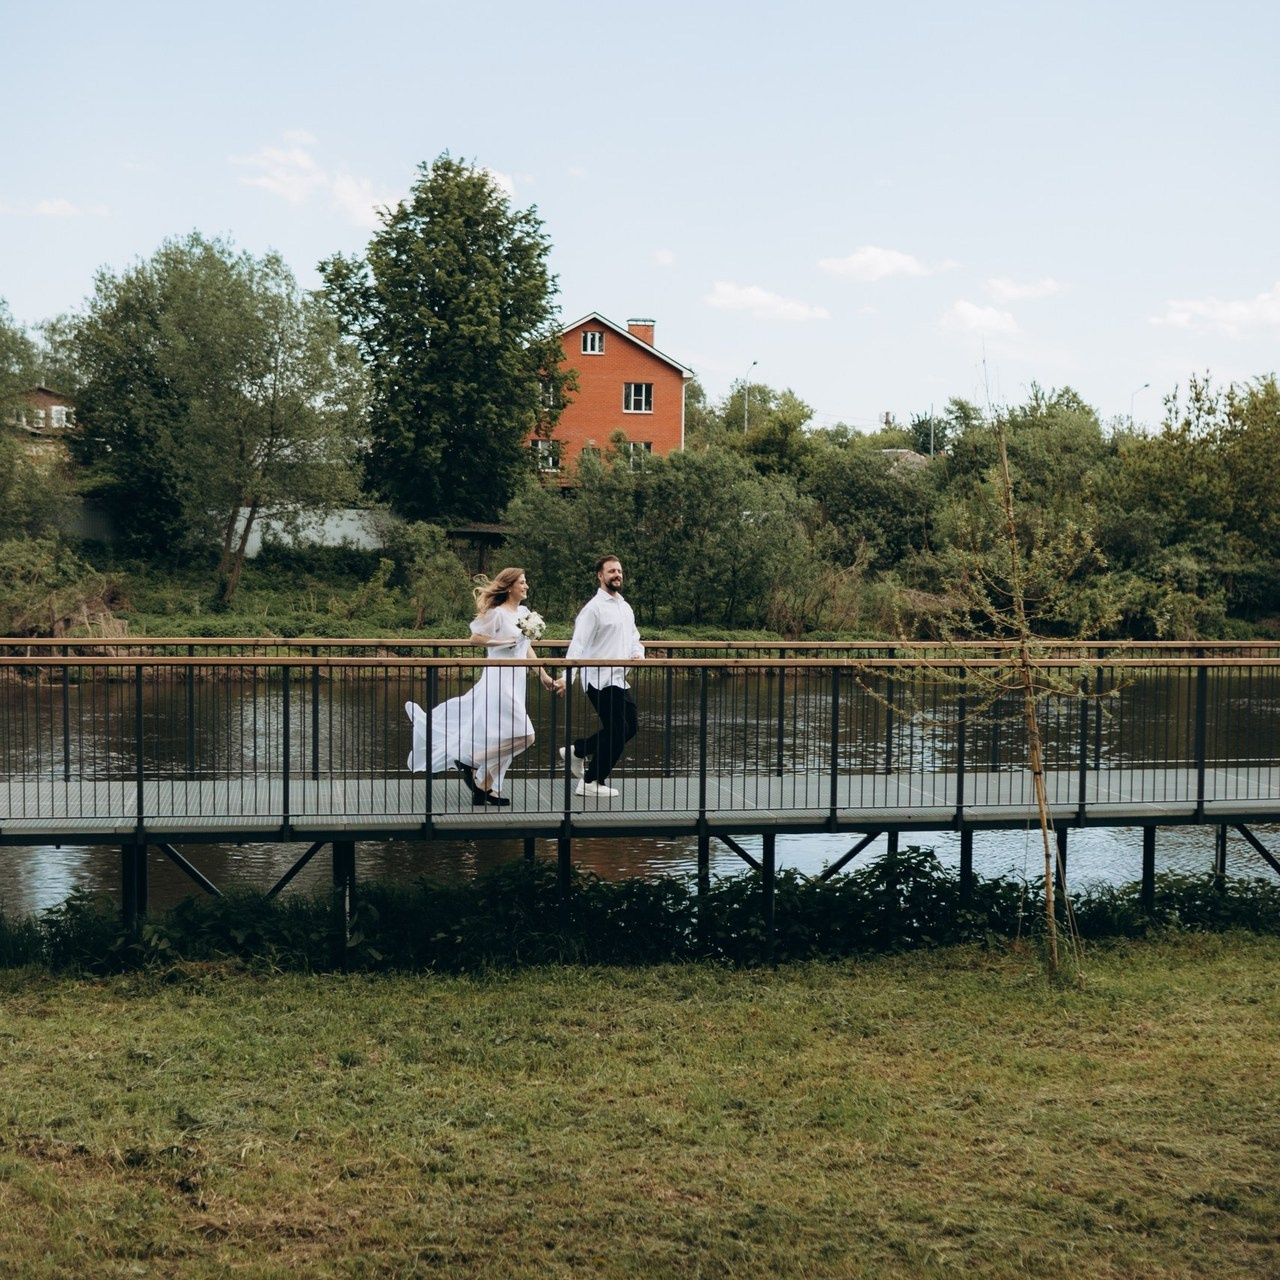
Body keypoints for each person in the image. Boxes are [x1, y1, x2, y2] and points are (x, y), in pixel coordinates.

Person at [405, 568, 555, 806]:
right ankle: (472, 760)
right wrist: (503, 641)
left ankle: (486, 787)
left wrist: (544, 675)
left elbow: (526, 647)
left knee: (506, 734)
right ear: (509, 587)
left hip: (517, 681)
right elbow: (475, 638)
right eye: (522, 583)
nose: (526, 586)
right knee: (525, 735)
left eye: (526, 582)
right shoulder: (496, 614)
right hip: (499, 680)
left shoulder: (525, 613)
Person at [553, 554, 644, 797]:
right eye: (612, 571)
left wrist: (638, 654)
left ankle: (578, 751)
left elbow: (634, 637)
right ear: (600, 575)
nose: (617, 575)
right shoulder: (593, 609)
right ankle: (591, 781)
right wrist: (566, 677)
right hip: (599, 679)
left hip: (618, 678)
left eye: (620, 571)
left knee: (630, 728)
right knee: (616, 732)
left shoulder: (624, 607)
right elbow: (578, 645)